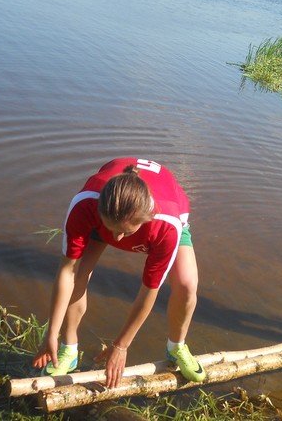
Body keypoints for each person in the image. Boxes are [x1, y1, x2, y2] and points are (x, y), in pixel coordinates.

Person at [32, 157, 206, 388]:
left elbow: (149, 290)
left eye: (125, 233)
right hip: (102, 218)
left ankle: (176, 347)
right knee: (80, 274)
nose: (117, 240)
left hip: (161, 218)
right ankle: (68, 348)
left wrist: (121, 346)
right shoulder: (85, 205)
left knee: (186, 284)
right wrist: (50, 333)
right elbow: (68, 272)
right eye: (112, 231)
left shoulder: (165, 225)